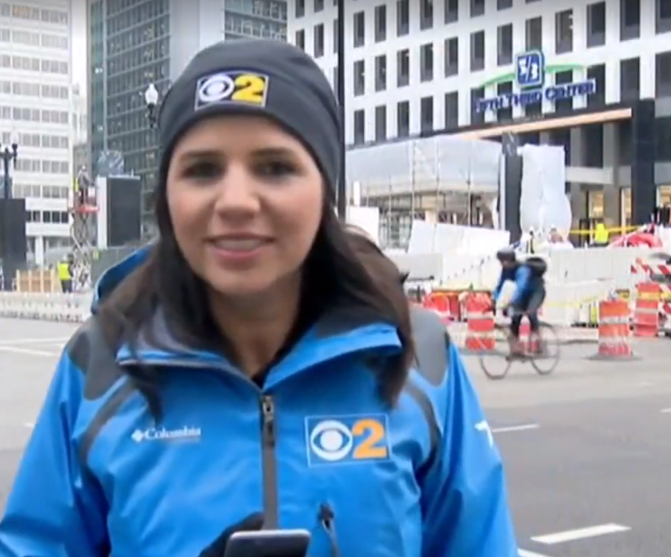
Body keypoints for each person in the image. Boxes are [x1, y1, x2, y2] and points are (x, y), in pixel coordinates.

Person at [0, 39, 517, 557]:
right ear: (167, 195)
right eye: (202, 170)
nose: (237, 202)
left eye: (275, 167)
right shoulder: (100, 365)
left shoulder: (418, 356)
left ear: (325, 190)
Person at [492, 246, 547, 355]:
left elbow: (521, 287)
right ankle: (517, 350)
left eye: (502, 261)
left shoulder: (523, 270)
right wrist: (494, 299)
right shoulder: (506, 270)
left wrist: (512, 302)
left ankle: (540, 345)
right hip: (522, 295)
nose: (501, 264)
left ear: (508, 260)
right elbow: (501, 285)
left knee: (531, 314)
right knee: (515, 319)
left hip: (535, 292)